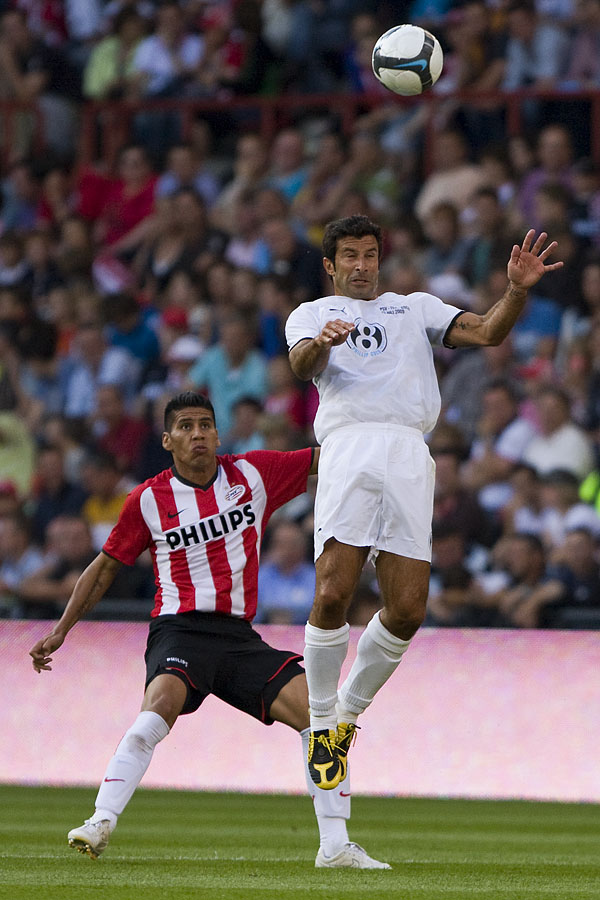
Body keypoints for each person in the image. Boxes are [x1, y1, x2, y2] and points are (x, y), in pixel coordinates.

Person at [29, 391, 388, 870]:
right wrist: (61, 630)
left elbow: (329, 458)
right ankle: (100, 821)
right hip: (179, 632)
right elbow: (104, 568)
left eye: (204, 424)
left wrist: (385, 440)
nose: (196, 433)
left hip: (239, 639)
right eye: (185, 426)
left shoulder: (254, 473)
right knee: (158, 708)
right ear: (167, 440)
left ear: (218, 434)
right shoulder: (148, 500)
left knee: (323, 723)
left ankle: (335, 847)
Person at [284, 214, 562, 790]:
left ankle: (345, 717)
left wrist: (514, 290)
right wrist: (320, 344)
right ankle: (316, 722)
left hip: (410, 453)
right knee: (334, 590)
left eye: (370, 254)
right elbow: (300, 365)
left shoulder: (413, 308)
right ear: (331, 266)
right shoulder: (310, 316)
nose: (362, 265)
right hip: (348, 447)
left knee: (409, 610)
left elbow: (487, 332)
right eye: (350, 257)